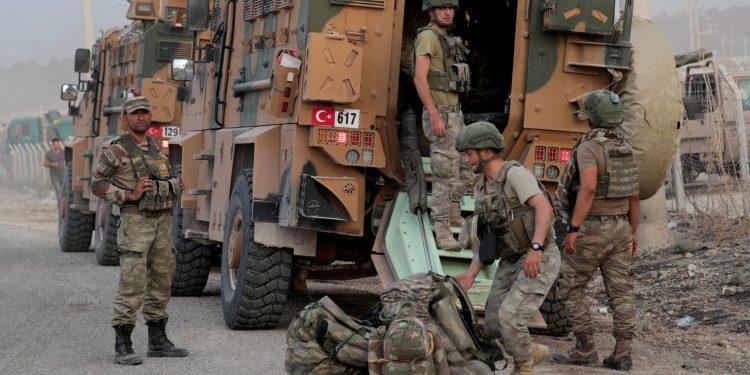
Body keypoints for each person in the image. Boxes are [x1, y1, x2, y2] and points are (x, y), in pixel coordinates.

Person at [454, 122, 560, 375]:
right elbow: (486, 237)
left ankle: (524, 367)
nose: (466, 160)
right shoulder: (482, 188)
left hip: (539, 256)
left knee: (511, 317)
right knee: (492, 325)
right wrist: (471, 274)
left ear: (486, 151)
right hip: (511, 259)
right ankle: (531, 352)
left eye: (468, 154)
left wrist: (535, 249)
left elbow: (543, 208)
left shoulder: (514, 175)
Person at [91, 96, 187, 365]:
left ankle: (158, 341)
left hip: (162, 223)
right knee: (132, 284)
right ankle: (123, 344)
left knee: (161, 281)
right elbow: (97, 184)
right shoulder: (117, 150)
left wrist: (174, 183)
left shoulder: (157, 148)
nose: (141, 117)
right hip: (136, 223)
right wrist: (127, 195)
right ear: (125, 118)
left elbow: (161, 179)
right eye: (135, 114)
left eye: (145, 113)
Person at [551, 90, 640, 371]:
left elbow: (587, 188)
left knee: (570, 287)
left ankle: (585, 348)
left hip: (592, 228)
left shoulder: (589, 148)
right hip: (621, 227)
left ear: (592, 116)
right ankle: (622, 353)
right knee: (621, 292)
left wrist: (574, 228)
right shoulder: (627, 148)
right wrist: (633, 232)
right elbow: (634, 196)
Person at [413, 0, 473, 251]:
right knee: (444, 173)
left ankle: (453, 214)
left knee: (463, 170)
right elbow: (420, 77)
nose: (448, 12)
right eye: (442, 8)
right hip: (441, 113)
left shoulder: (446, 38)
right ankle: (443, 232)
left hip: (455, 113)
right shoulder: (428, 37)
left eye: (451, 8)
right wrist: (434, 114)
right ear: (431, 11)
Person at [43, 138, 65, 203]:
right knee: (58, 190)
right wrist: (52, 164)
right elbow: (45, 163)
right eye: (55, 144)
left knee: (64, 191)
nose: (56, 146)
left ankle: (64, 206)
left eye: (57, 144)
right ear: (52, 145)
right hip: (54, 176)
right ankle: (60, 205)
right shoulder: (49, 154)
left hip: (63, 175)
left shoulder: (63, 152)